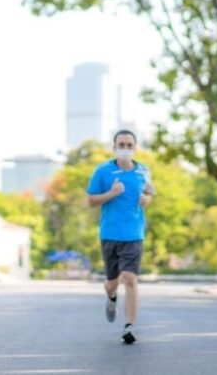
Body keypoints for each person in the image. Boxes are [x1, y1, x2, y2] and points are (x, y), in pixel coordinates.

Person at [87, 129, 154, 344]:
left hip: (134, 235)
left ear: (135, 147)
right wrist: (111, 194)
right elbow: (90, 201)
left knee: (130, 279)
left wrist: (147, 199)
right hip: (110, 234)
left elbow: (149, 191)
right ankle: (111, 295)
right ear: (115, 146)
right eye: (121, 144)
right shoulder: (103, 171)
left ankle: (129, 326)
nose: (125, 148)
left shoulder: (143, 171)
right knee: (112, 282)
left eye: (129, 145)